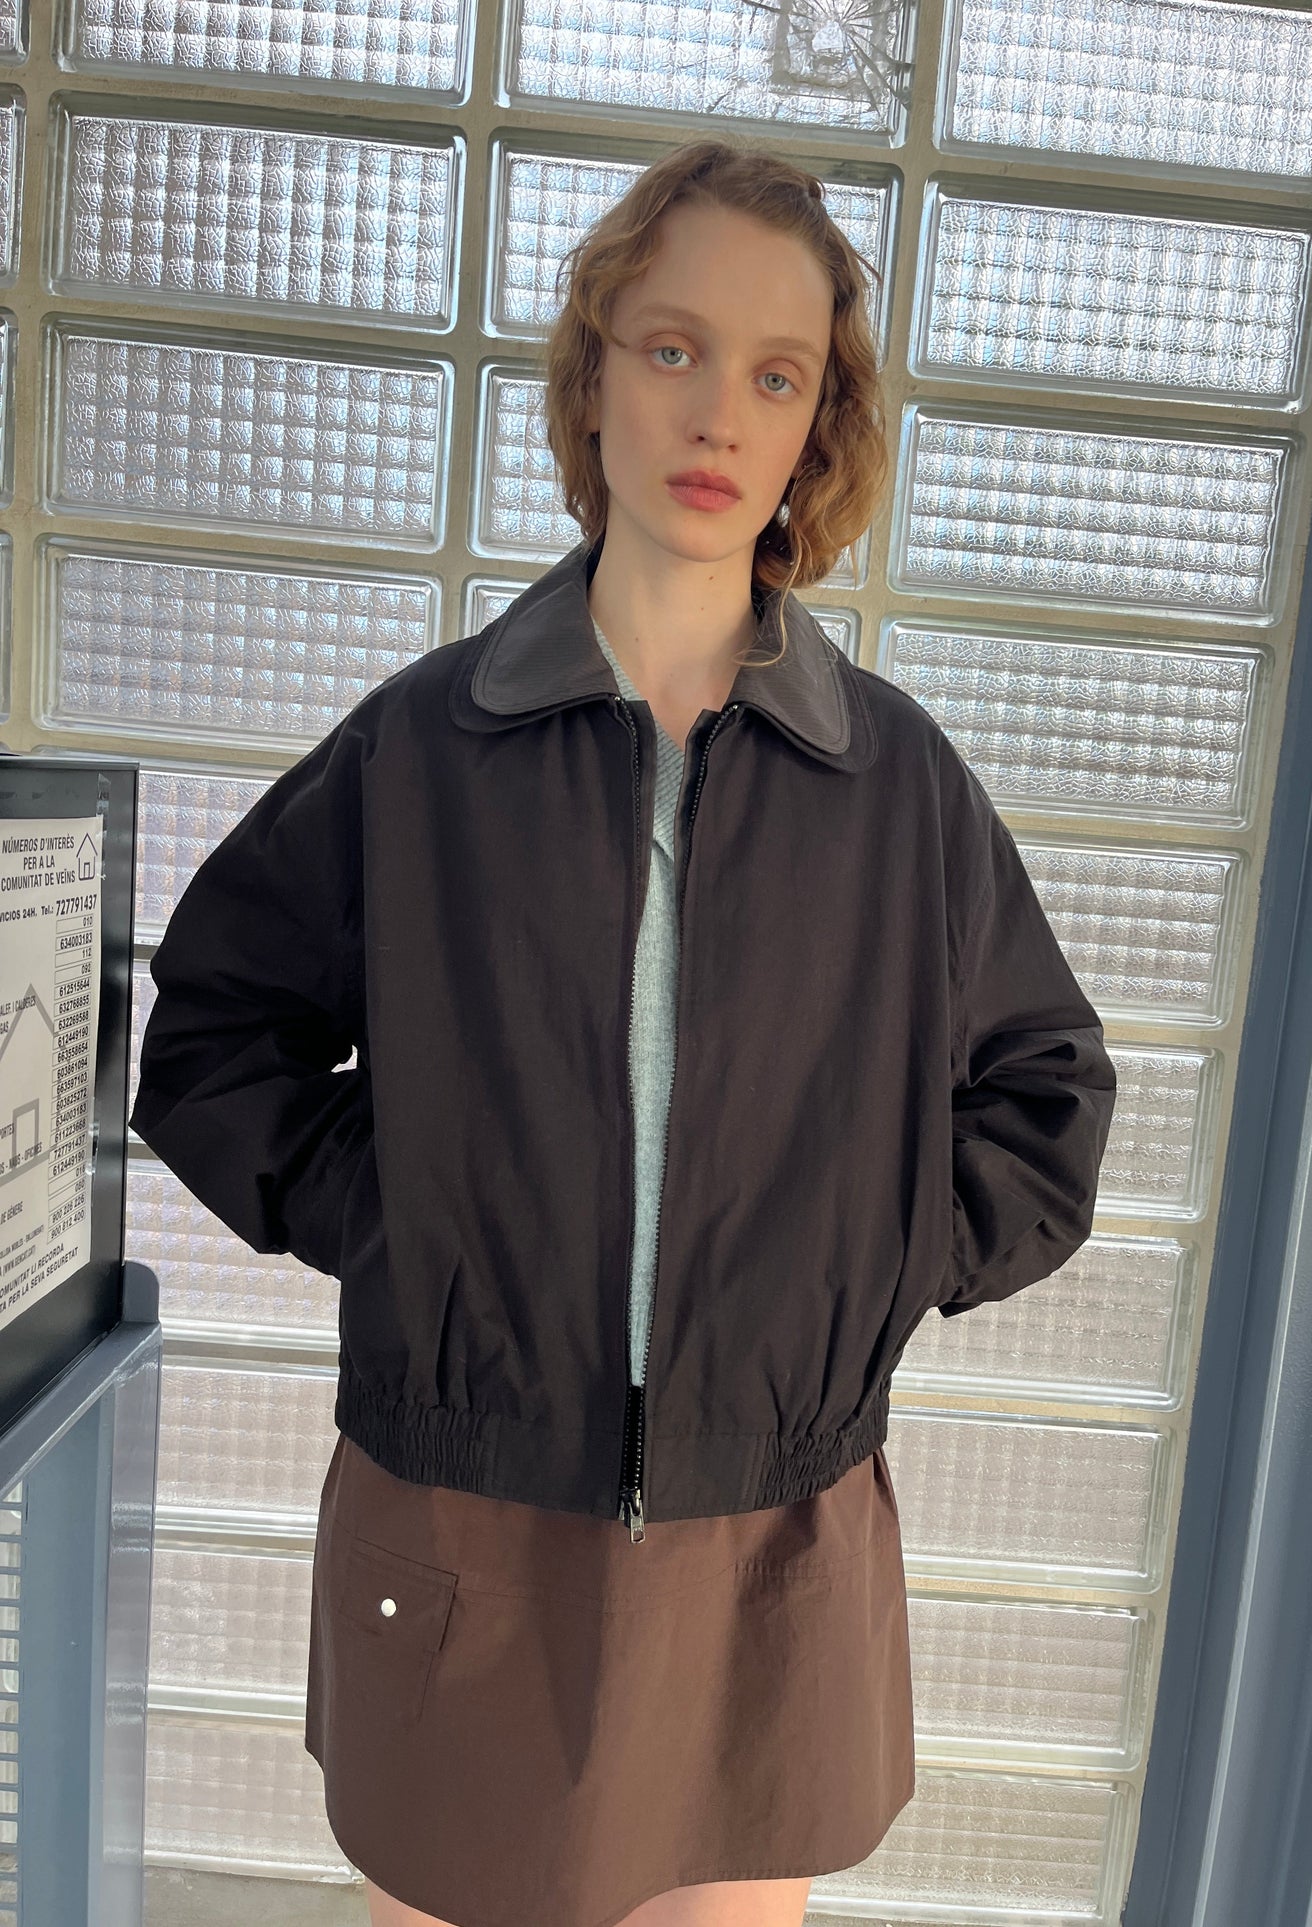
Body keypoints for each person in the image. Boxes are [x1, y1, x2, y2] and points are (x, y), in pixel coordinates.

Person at [129, 139, 1117, 1927]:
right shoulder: (426, 752)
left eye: (773, 370)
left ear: (818, 423)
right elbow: (213, 1036)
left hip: (774, 1542)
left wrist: (870, 1254)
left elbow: (1044, 1099)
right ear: (592, 376)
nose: (713, 409)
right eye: (668, 347)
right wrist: (409, 1224)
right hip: (461, 1518)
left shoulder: (890, 787)